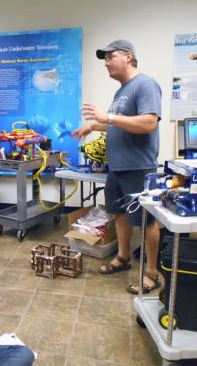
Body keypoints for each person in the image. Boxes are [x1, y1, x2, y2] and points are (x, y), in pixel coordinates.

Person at [72, 39, 162, 294]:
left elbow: (148, 123)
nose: (106, 63)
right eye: (105, 59)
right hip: (117, 167)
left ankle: (152, 273)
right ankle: (123, 257)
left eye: (111, 57)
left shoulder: (145, 84)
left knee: (146, 222)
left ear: (129, 57)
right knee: (119, 215)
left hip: (138, 167)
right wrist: (94, 125)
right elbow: (120, 123)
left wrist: (107, 117)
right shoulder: (121, 91)